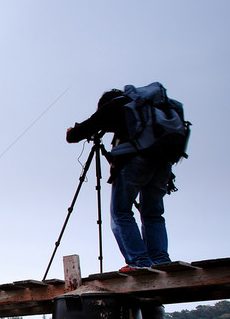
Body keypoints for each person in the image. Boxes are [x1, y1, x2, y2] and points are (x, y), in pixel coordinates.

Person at [66, 89, 173, 271]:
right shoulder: (146, 108)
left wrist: (72, 131)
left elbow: (79, 132)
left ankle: (138, 261)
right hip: (163, 162)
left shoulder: (116, 104)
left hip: (135, 162)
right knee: (153, 214)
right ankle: (160, 260)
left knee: (121, 213)